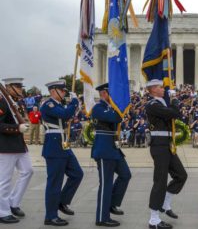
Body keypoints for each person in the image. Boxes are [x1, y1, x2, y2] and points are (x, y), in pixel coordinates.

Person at [145, 79, 188, 229]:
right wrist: (175, 101)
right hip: (159, 146)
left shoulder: (162, 103)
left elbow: (177, 116)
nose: (164, 89)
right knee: (160, 181)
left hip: (168, 145)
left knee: (181, 175)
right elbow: (174, 113)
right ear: (153, 89)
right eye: (161, 87)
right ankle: (154, 219)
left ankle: (165, 202)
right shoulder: (152, 105)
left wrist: (173, 104)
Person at [40, 80, 83, 226]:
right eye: (62, 90)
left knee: (77, 174)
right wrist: (74, 101)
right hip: (54, 145)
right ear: (53, 91)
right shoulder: (48, 104)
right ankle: (50, 216)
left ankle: (62, 202)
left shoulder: (58, 105)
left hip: (63, 144)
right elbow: (65, 115)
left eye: (65, 91)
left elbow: (67, 115)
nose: (64, 93)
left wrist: (73, 107)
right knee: (55, 182)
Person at [91, 83, 132, 227]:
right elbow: (116, 118)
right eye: (111, 93)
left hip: (113, 148)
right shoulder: (98, 108)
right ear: (103, 94)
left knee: (125, 175)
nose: (114, 97)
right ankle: (102, 218)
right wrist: (121, 108)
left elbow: (120, 115)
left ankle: (112, 204)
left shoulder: (110, 107)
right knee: (106, 184)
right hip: (103, 148)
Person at [0, 78, 34, 224]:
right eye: (17, 87)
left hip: (19, 145)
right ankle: (2, 212)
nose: (20, 89)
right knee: (4, 180)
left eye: (21, 87)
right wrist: (17, 128)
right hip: (6, 146)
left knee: (28, 171)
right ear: (8, 87)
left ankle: (13, 202)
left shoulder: (15, 102)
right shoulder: (2, 101)